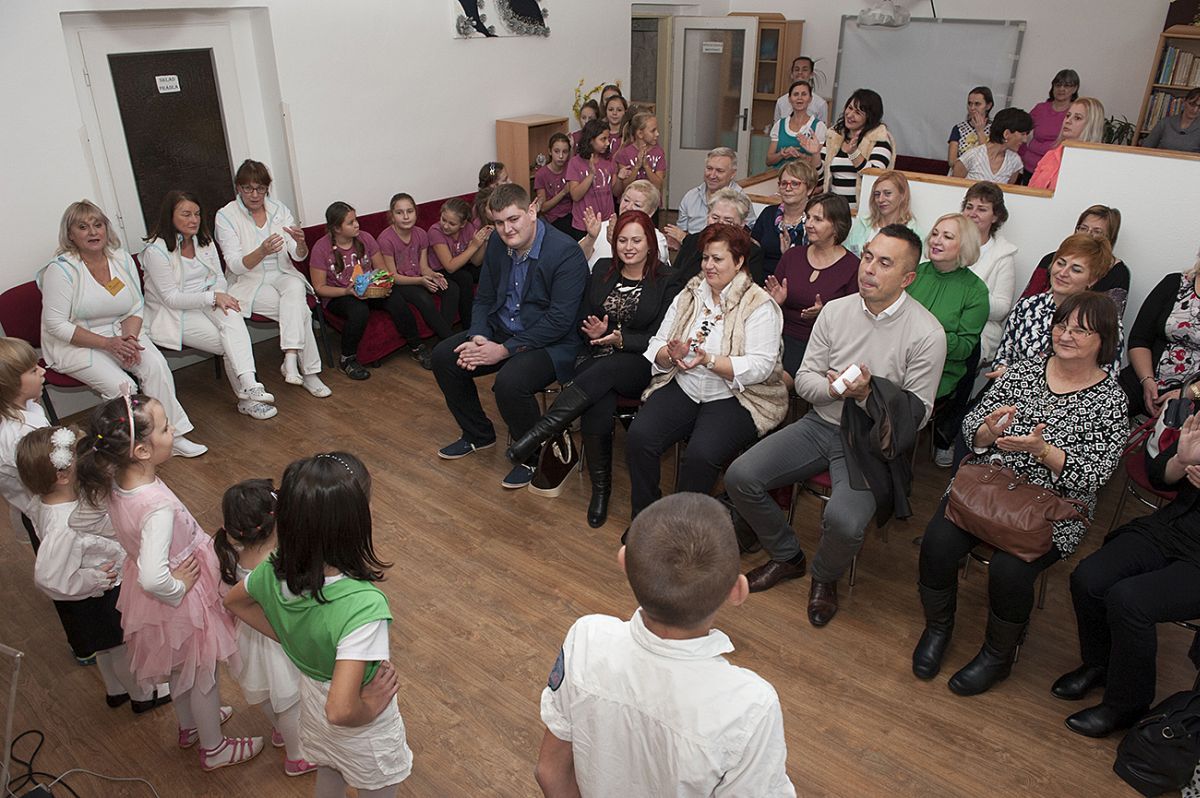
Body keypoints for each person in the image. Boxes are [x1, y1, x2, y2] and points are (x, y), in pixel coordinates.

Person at [724, 225, 946, 628]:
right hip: (821, 422)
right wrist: (834, 390)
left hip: (868, 443)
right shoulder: (836, 310)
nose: (869, 269)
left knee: (844, 521)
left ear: (908, 278)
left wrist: (865, 396)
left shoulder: (927, 333)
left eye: (885, 263)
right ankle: (787, 555)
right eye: (868, 257)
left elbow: (919, 414)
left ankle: (824, 577)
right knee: (741, 475)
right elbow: (805, 379)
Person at [914, 293, 1126, 695]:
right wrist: (988, 431)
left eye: (1081, 330)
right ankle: (937, 629)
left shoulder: (1110, 401)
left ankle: (998, 657)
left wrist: (1042, 451)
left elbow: (1095, 476)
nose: (1066, 335)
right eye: (1062, 325)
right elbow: (973, 429)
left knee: (1009, 571)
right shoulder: (1024, 370)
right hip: (989, 487)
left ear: (1104, 340)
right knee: (937, 543)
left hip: (1052, 508)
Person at [535, 493, 795, 797]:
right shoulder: (751, 706)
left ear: (623, 561)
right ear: (737, 591)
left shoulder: (586, 638)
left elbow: (549, 771)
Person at [76, 394, 260, 770]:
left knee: (180, 667)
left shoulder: (115, 482)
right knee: (203, 672)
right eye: (164, 428)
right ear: (142, 450)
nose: (172, 429)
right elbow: (152, 576)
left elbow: (80, 520)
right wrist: (178, 586)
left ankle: (190, 726)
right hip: (183, 596)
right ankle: (214, 748)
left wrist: (130, 541)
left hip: (155, 600)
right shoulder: (155, 505)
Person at [224, 452, 412, 796]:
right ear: (355, 520)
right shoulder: (364, 606)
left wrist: (292, 637)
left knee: (329, 772)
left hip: (311, 700)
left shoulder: (275, 566)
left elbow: (234, 602)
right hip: (362, 728)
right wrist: (370, 705)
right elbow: (340, 710)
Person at [505, 210, 676, 526]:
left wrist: (620, 338)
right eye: (622, 240)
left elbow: (661, 336)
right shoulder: (601, 269)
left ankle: (541, 433)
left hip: (641, 362)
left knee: (606, 373)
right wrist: (595, 331)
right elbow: (583, 316)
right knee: (600, 397)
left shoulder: (667, 280)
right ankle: (601, 490)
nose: (628, 247)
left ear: (650, 244)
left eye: (636, 240)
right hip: (595, 357)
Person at [431, 184, 589, 489]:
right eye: (499, 222)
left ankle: (534, 454)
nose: (507, 230)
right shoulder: (496, 243)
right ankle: (478, 434)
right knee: (444, 357)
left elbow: (559, 321)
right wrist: (479, 336)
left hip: (551, 342)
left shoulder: (565, 252)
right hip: (503, 328)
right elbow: (484, 298)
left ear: (532, 211)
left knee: (510, 382)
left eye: (514, 219)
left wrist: (504, 350)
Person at [626, 224, 787, 520]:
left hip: (735, 395)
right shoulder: (690, 295)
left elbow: (761, 366)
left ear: (739, 262)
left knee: (701, 455)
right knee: (640, 437)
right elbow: (658, 343)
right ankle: (645, 518)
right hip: (685, 384)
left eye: (718, 259)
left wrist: (709, 360)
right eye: (705, 258)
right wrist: (670, 355)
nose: (708, 266)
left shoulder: (758, 304)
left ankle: (682, 525)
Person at [1055, 414, 1200, 737]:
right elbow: (1159, 475)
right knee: (1090, 578)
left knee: (1131, 600)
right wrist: (1181, 461)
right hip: (1174, 528)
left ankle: (1126, 705)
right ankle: (1100, 665)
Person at [39, 201, 207, 458]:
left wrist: (128, 339)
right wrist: (109, 344)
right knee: (123, 386)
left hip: (122, 332)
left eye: (98, 225)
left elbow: (136, 306)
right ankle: (132, 445)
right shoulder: (60, 270)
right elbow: (56, 324)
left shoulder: (121, 259)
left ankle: (172, 436)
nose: (93, 232)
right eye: (83, 227)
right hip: (75, 342)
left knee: (156, 366)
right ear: (70, 234)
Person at [20, 425, 166, 712]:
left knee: (106, 648)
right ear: (62, 476)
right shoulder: (65, 525)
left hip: (87, 601)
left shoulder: (43, 502)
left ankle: (115, 689)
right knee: (122, 648)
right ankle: (143, 695)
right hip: (99, 595)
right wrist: (94, 579)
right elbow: (49, 577)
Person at [141, 190, 276, 421]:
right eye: (186, 214)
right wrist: (213, 298)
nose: (194, 220)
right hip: (176, 313)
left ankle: (250, 385)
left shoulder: (203, 240)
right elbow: (171, 298)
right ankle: (248, 399)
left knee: (232, 317)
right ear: (169, 216)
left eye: (197, 214)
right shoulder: (155, 251)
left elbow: (219, 277)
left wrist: (219, 295)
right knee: (229, 343)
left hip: (209, 300)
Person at [213, 479, 315, 776]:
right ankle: (297, 756)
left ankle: (280, 732)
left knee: (270, 694)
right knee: (289, 701)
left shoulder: (234, 556)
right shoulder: (277, 565)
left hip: (250, 637)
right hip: (278, 641)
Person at [214, 159, 330, 399]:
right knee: (300, 311)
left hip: (282, 274)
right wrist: (261, 251)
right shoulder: (226, 216)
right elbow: (235, 265)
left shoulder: (279, 209)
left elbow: (298, 255)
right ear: (238, 187)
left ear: (267, 188)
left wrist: (300, 243)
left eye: (260, 188)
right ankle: (307, 372)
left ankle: (290, 358)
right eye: (248, 188)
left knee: (295, 285)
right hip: (248, 282)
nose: (255, 194)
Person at [308, 201, 428, 380]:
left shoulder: (365, 238)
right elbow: (319, 288)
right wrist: (347, 292)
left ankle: (417, 346)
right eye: (350, 222)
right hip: (339, 294)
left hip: (369, 289)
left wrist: (382, 285)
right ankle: (347, 359)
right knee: (359, 310)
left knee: (395, 299)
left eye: (356, 220)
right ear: (337, 228)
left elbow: (381, 269)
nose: (357, 224)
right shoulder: (321, 248)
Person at [906, 214, 989, 466]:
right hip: (898, 356)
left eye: (947, 236)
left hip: (940, 370)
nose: (936, 240)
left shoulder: (975, 291)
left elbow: (964, 348)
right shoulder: (913, 273)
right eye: (935, 233)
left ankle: (888, 459)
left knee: (894, 394)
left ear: (964, 245)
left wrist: (930, 335)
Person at [992, 234, 1120, 379]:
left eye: (1076, 269)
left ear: (1092, 279)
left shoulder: (1103, 319)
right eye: (1060, 263)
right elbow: (1003, 357)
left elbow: (1107, 376)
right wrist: (1004, 372)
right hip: (1014, 386)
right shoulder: (1027, 306)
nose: (1063, 273)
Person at [765, 193, 859, 375]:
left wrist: (825, 314)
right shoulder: (792, 256)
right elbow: (768, 305)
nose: (808, 224)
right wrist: (776, 302)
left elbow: (853, 321)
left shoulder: (853, 267)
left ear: (837, 226)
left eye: (818, 219)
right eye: (808, 217)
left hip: (817, 345)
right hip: (777, 335)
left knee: (773, 378)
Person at [377, 193, 460, 351]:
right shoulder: (385, 239)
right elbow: (392, 276)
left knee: (451, 288)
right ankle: (451, 341)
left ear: (416, 212)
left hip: (418, 277)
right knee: (423, 298)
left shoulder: (421, 234)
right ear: (392, 216)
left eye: (410, 211)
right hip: (400, 283)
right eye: (399, 212)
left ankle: (442, 341)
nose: (406, 216)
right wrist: (421, 281)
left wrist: (432, 275)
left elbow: (423, 267)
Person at [1119, 259, 1200, 417]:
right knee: (1100, 409)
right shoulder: (1174, 283)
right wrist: (1147, 380)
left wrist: (1186, 394)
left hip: (1195, 394)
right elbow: (1139, 339)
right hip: (1143, 376)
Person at [1019, 205, 1130, 315]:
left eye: (1097, 231)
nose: (1088, 235)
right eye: (1083, 228)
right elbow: (1027, 299)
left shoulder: (1118, 274)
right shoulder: (1051, 259)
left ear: (1110, 238)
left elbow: (1111, 318)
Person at [961, 182, 1018, 367]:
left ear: (995, 217)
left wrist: (962, 297)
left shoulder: (1003, 255)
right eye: (969, 207)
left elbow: (1002, 309)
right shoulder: (947, 243)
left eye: (982, 209)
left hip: (979, 331)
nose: (972, 213)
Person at [0, 338, 50, 547]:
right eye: (33, 370)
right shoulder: (19, 434)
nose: (42, 371)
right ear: (12, 386)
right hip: (42, 510)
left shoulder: (27, 406)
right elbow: (47, 480)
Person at [820, 88, 895, 213]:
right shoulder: (834, 136)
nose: (850, 115)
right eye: (849, 108)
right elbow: (820, 174)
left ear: (870, 117)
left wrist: (853, 153)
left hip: (863, 213)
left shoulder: (880, 139)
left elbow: (875, 176)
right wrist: (814, 155)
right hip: (834, 211)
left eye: (858, 113)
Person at [671, 189, 765, 287]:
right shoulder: (693, 240)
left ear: (742, 224)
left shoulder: (752, 253)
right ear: (707, 217)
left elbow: (749, 290)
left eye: (728, 221)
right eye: (715, 218)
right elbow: (675, 277)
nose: (720, 224)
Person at [666, 147, 757, 242]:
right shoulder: (690, 197)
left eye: (719, 171)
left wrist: (685, 238)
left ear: (732, 174)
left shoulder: (741, 201)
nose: (712, 175)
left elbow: (747, 237)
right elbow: (680, 233)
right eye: (709, 169)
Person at [580, 180, 670, 270]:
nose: (628, 207)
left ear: (650, 212)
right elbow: (577, 258)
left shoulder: (656, 238)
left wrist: (614, 243)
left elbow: (648, 269)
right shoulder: (601, 227)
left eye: (637, 205)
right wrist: (591, 238)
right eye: (626, 200)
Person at [750, 160, 817, 278]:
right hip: (762, 281)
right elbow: (753, 251)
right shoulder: (768, 214)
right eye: (784, 183)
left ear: (809, 189)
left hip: (800, 280)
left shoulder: (815, 220)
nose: (788, 188)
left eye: (795, 184)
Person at [427, 197, 488, 321]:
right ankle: (468, 324)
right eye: (443, 220)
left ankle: (491, 316)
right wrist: (474, 246)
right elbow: (450, 267)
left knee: (486, 270)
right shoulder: (435, 231)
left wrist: (483, 242)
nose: (445, 226)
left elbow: (476, 262)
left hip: (462, 264)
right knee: (465, 278)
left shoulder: (468, 227)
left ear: (463, 224)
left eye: (452, 224)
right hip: (441, 270)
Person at [1028, 96, 1105, 191]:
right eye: (1068, 116)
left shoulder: (1093, 163)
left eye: (1077, 118)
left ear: (1091, 125)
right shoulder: (1051, 155)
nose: (1068, 121)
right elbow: (1030, 189)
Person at [843, 170, 922, 256]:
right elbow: (846, 254)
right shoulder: (863, 223)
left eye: (887, 193)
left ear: (902, 195)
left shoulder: (914, 231)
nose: (880, 199)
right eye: (877, 194)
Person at [1020, 69, 1080, 179]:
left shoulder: (1076, 112)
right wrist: (1022, 155)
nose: (1061, 89)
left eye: (1067, 85)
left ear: (1075, 89)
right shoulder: (1040, 108)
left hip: (1054, 171)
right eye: (1058, 85)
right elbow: (1021, 130)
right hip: (1029, 167)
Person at [565, 119, 618, 241]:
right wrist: (591, 175)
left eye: (608, 139)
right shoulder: (575, 163)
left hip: (606, 223)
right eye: (603, 139)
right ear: (590, 140)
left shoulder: (608, 161)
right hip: (583, 225)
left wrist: (620, 177)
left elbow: (615, 192)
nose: (607, 143)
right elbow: (575, 195)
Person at [952, 107, 1033, 184]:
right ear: (1006, 134)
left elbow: (1008, 189)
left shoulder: (1015, 161)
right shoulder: (972, 156)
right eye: (1022, 134)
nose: (1025, 140)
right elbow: (954, 186)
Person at [766, 80, 826, 172]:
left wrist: (800, 156)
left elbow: (820, 163)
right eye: (796, 94)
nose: (799, 98)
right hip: (779, 176)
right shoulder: (780, 124)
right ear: (789, 99)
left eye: (804, 94)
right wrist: (782, 154)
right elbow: (769, 161)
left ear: (810, 99)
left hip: (806, 177)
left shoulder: (819, 126)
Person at [613, 110, 666, 196]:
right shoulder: (624, 154)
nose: (657, 134)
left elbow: (658, 185)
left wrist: (646, 166)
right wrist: (637, 166)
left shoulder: (658, 153)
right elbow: (625, 187)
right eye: (653, 131)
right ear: (640, 134)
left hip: (652, 201)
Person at [534, 132, 575, 236]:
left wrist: (572, 146)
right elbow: (543, 207)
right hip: (553, 219)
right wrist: (563, 192)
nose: (561, 156)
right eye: (556, 151)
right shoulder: (541, 174)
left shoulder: (570, 168)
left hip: (572, 214)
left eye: (565, 152)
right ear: (550, 151)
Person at [946, 86, 994, 170]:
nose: (972, 108)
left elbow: (989, 159)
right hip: (959, 173)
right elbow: (951, 161)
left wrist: (980, 132)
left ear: (988, 106)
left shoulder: (995, 129)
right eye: (970, 103)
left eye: (977, 104)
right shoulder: (959, 128)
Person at [773, 56, 828, 127]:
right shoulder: (781, 102)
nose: (800, 72)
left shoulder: (820, 104)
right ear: (792, 74)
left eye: (804, 70)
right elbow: (776, 128)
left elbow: (822, 130)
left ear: (811, 75)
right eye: (796, 69)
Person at [1141, 87, 1200, 153]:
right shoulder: (1165, 123)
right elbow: (1145, 148)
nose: (1195, 110)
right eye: (1192, 104)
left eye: (1199, 107)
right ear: (1184, 102)